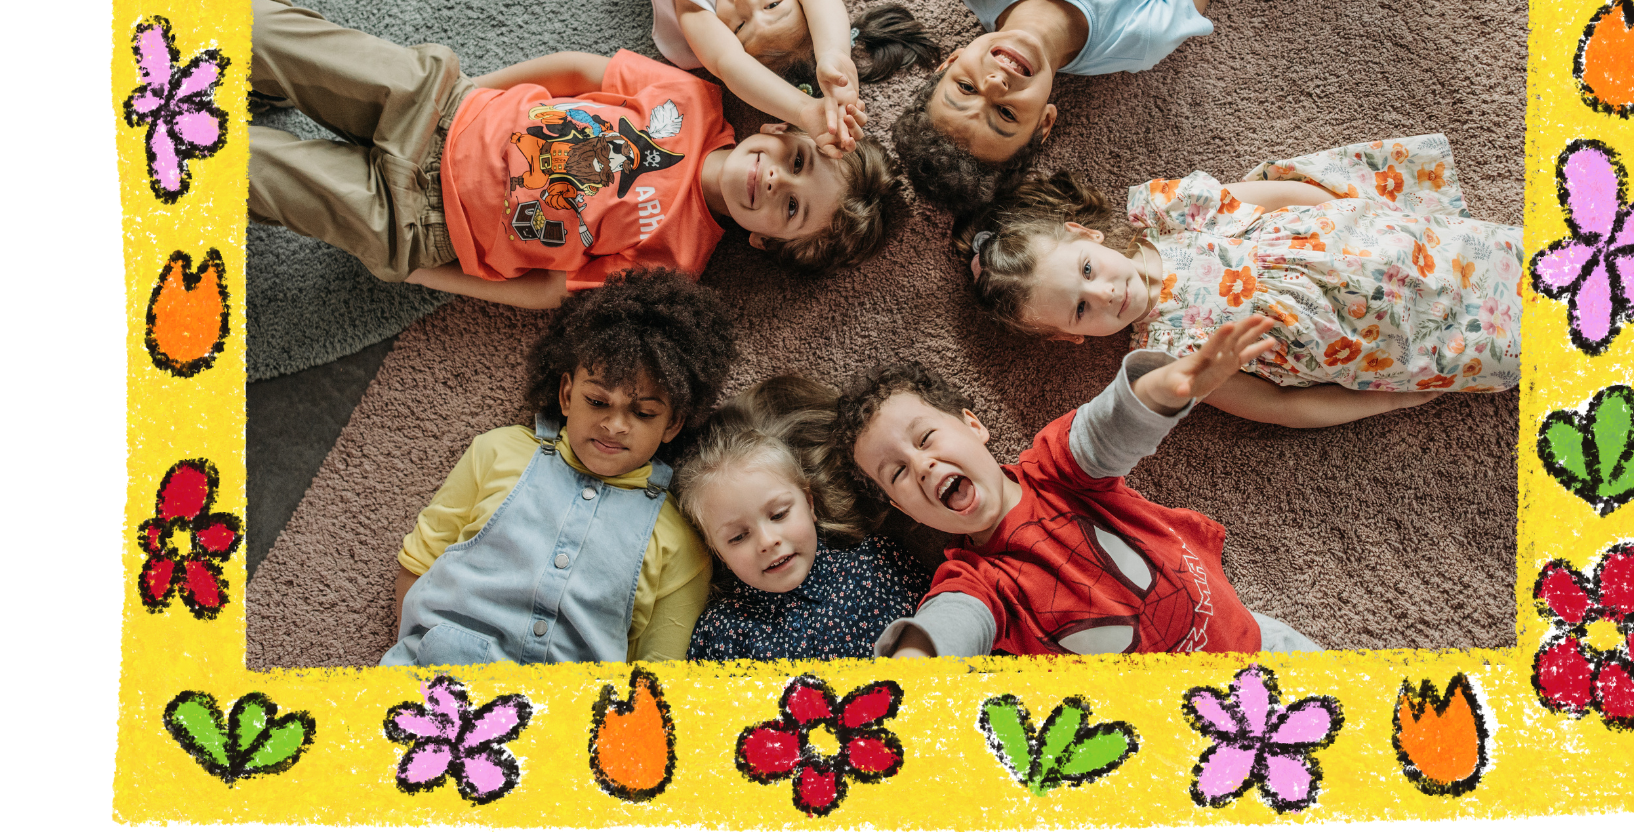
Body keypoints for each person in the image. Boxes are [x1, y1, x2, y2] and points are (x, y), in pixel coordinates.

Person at [246, 0, 899, 311]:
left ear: (764, 242)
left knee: (248, 170)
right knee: (265, 30)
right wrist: (472, 91)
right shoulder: (692, 104)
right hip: (437, 109)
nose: (774, 182)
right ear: (779, 130)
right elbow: (581, 73)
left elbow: (548, 291)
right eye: (797, 163)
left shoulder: (675, 265)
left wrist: (416, 270)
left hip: (419, 225)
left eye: (789, 210)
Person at [836, 318, 1323, 658]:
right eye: (897, 474)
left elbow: (1105, 430)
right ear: (904, 507)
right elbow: (954, 622)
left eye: (926, 438)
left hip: (1256, 646)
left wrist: (1164, 388)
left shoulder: (1056, 466)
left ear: (973, 425)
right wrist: (918, 662)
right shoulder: (976, 581)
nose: (921, 465)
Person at [958, 136, 1524, 428]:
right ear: (1069, 338)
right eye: (1081, 310)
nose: (1106, 293)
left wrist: (1358, 215)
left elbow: (1273, 200)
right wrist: (1394, 398)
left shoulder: (1172, 216)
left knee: (1522, 256)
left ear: (1089, 235)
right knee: (1529, 341)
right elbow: (1283, 406)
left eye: (1086, 270)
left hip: (1383, 245)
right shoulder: (1170, 358)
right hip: (1387, 345)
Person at [381, 268, 734, 667]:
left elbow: (657, 675)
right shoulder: (498, 452)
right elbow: (419, 561)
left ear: (672, 424)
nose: (615, 425)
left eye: (643, 412)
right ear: (567, 395)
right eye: (598, 402)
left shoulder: (679, 541)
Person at [891, 0, 1240, 212]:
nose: (996, 84)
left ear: (951, 60)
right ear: (1044, 122)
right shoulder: (1139, 38)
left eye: (966, 88)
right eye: (1006, 113)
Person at [671, 375, 933, 661]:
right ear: (716, 551)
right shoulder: (721, 632)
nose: (768, 542)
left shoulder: (877, 565)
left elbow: (945, 630)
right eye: (737, 536)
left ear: (809, 503)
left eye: (779, 514)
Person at [647, 0, 938, 153]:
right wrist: (834, 57)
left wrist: (803, 111)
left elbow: (728, 62)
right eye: (772, 5)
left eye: (739, 26)